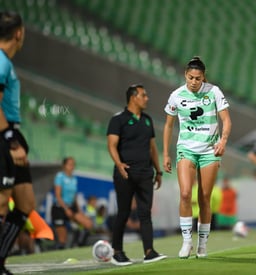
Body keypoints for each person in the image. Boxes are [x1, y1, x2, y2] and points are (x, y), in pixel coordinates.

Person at [163, 56, 231, 259]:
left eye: (198, 78)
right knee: (185, 194)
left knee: (204, 198)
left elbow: (226, 120)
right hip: (186, 149)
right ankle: (186, 242)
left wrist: (223, 141)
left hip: (210, 150)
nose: (194, 82)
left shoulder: (214, 92)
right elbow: (168, 125)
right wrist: (166, 153)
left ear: (204, 78)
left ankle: (202, 243)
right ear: (185, 75)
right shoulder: (176, 95)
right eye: (191, 77)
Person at [107, 84, 166, 265]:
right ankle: (117, 252)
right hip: (126, 173)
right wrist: (119, 165)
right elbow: (111, 145)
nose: (147, 98)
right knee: (123, 212)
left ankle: (149, 251)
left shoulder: (147, 120)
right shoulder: (118, 119)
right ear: (133, 97)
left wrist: (158, 170)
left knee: (145, 213)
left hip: (145, 173)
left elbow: (152, 148)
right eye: (143, 95)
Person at [0, 11, 37, 274]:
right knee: (2, 201)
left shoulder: (6, 63)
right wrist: (10, 140)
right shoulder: (1, 62)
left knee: (24, 203)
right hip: (5, 135)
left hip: (12, 133)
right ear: (18, 33)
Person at [51, 157, 93, 249]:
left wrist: (79, 211)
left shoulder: (74, 179)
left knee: (88, 223)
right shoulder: (60, 176)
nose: (72, 166)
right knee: (62, 240)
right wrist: (65, 209)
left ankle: (78, 244)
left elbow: (74, 197)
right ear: (64, 166)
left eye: (73, 164)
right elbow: (58, 195)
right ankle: (60, 250)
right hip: (59, 208)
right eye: (70, 164)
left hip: (71, 207)